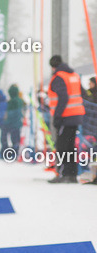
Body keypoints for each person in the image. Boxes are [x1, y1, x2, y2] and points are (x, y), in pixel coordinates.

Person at [47, 55, 85, 183]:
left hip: (65, 117)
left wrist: (57, 116)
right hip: (76, 115)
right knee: (70, 146)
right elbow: (83, 94)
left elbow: (63, 97)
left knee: (62, 146)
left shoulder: (59, 78)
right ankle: (71, 175)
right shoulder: (73, 75)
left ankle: (63, 174)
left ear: (53, 67)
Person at [1, 84, 25, 158]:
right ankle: (15, 152)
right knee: (16, 139)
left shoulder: (12, 102)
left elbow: (10, 114)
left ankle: (11, 154)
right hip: (18, 123)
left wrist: (5, 121)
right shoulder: (20, 100)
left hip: (11, 124)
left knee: (11, 139)